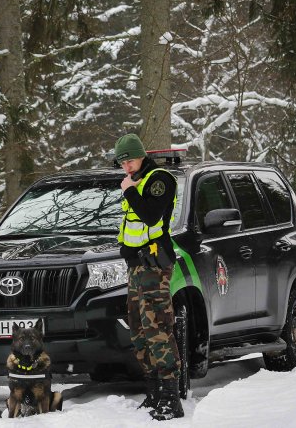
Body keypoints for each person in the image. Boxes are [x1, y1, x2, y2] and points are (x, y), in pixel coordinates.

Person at [114, 133, 183, 420]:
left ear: (141, 155)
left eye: (130, 160)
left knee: (158, 328)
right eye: (122, 162)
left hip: (155, 266)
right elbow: (131, 227)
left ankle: (171, 397)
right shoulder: (135, 181)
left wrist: (129, 189)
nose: (126, 166)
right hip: (137, 267)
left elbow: (152, 216)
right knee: (139, 331)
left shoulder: (159, 179)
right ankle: (154, 391)